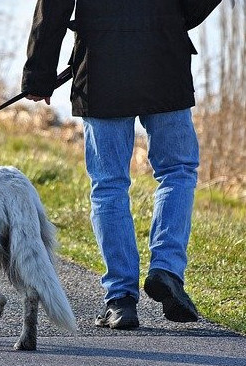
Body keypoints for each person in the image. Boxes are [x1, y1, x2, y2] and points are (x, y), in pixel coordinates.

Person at [22, 0, 222, 329]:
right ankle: (167, 268)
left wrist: (38, 75)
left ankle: (120, 300)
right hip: (163, 55)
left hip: (102, 66)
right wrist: (174, 17)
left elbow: (52, 7)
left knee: (109, 184)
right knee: (177, 172)